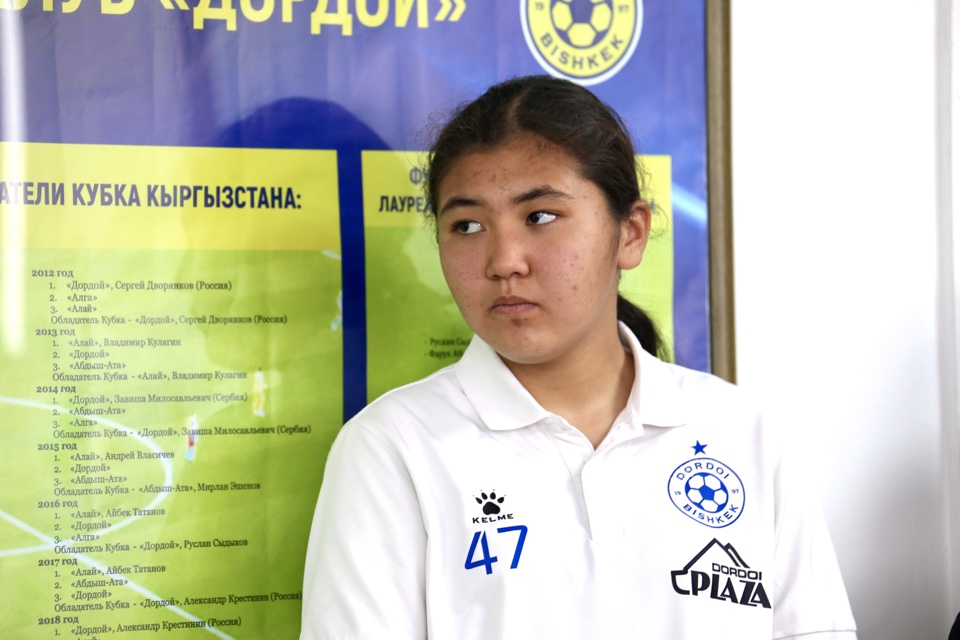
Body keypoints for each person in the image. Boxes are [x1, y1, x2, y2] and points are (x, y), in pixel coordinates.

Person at [300, 75, 857, 639]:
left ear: (630, 234)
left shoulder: (743, 431)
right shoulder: (394, 448)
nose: (504, 261)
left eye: (540, 216)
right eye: (467, 225)